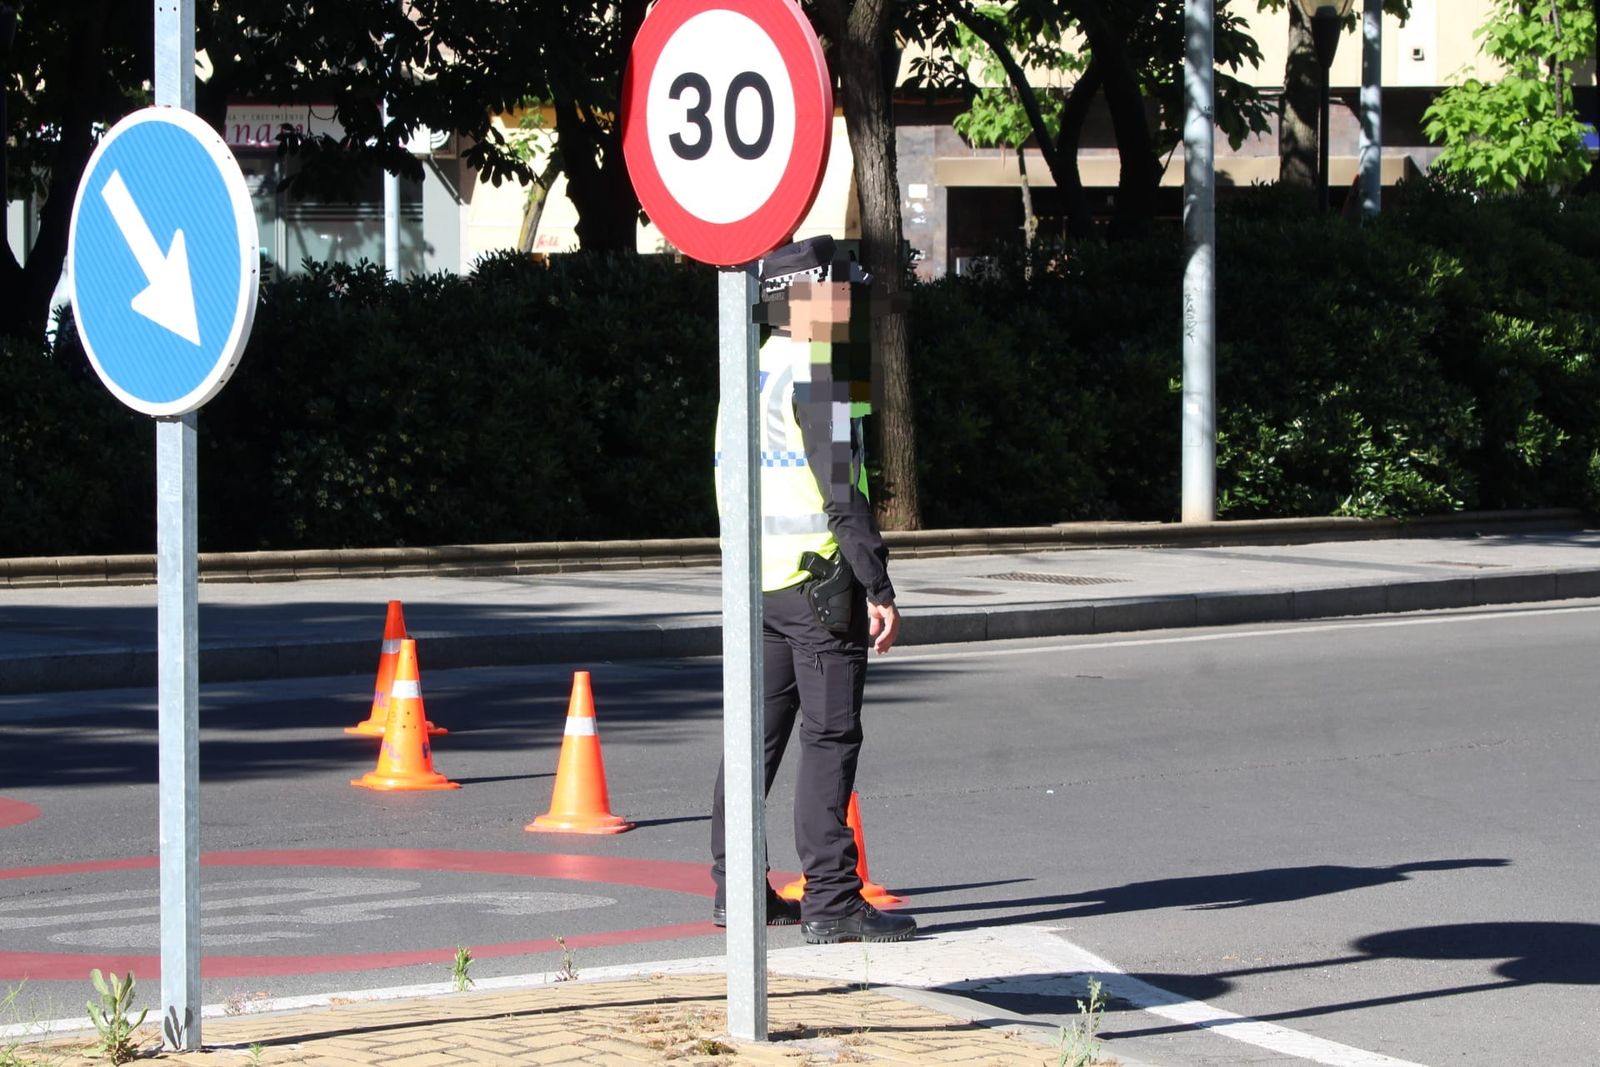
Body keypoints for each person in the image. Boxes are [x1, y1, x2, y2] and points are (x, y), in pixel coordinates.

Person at [710, 235, 916, 945]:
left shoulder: (751, 371)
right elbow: (842, 495)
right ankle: (830, 901)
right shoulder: (821, 374)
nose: (848, 304)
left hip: (757, 584)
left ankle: (737, 891)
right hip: (819, 586)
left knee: (754, 742)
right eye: (840, 291)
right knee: (829, 739)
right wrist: (878, 584)